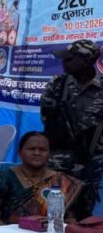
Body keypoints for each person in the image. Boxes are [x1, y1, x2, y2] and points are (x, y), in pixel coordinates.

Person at [41, 39, 103, 216]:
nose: (64, 62)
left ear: (86, 60)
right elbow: (46, 118)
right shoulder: (58, 84)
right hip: (59, 159)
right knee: (49, 209)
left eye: (69, 59)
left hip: (91, 160)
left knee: (83, 212)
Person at [0, 132, 85, 225]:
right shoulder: (4, 178)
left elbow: (71, 219)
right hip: (10, 232)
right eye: (31, 149)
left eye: (43, 149)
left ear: (50, 154)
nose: (37, 153)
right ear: (19, 152)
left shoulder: (61, 181)